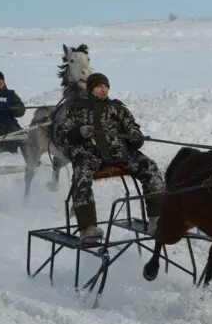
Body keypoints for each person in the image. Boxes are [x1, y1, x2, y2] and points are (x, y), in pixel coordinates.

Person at [55, 73, 165, 242]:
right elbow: (61, 136)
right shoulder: (75, 108)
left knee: (149, 167)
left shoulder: (117, 108)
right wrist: (79, 132)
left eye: (106, 86)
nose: (103, 89)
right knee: (81, 176)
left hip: (119, 153)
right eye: (99, 86)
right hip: (88, 153)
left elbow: (132, 129)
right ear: (91, 88)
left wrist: (136, 138)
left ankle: (157, 221)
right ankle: (88, 228)